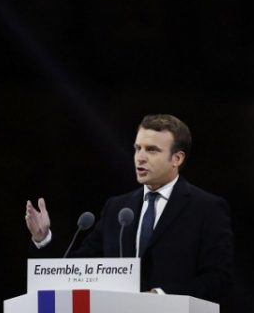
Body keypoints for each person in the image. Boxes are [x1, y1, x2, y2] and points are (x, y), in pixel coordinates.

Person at [25, 114, 233, 304]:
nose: (140, 157)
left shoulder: (207, 208)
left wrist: (160, 296)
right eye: (137, 148)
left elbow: (217, 279)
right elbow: (78, 270)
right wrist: (43, 239)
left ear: (177, 159)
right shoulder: (117, 208)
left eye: (152, 150)